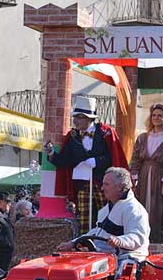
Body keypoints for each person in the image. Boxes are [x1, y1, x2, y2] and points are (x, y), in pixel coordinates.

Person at [44, 96, 128, 231]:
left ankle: (106, 241)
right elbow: (65, 160)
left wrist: (97, 161)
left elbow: (113, 157)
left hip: (103, 183)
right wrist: (51, 153)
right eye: (75, 117)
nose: (75, 121)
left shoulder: (105, 133)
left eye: (79, 117)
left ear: (89, 118)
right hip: (82, 184)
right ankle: (85, 243)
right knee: (84, 218)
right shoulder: (72, 136)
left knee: (107, 214)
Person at [58, 167, 150, 276]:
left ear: (120, 187)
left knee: (118, 273)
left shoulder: (134, 209)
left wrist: (119, 240)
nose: (102, 188)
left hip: (127, 258)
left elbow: (138, 237)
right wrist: (73, 243)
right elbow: (96, 232)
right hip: (104, 258)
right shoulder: (106, 209)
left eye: (106, 184)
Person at [130, 103, 163, 244]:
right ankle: (142, 238)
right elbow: (135, 159)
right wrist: (134, 176)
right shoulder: (142, 138)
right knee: (143, 206)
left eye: (160, 115)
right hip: (145, 176)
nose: (156, 118)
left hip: (160, 177)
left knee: (159, 209)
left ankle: (159, 240)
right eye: (154, 115)